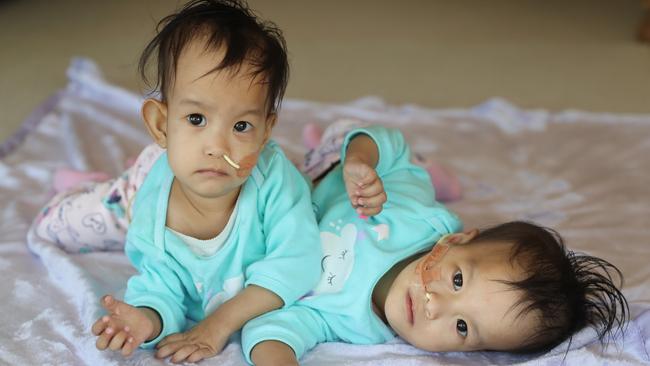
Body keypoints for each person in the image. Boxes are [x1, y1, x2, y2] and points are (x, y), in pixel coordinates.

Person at [31, 0, 322, 362]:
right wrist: (146, 320)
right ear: (160, 124)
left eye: (241, 126)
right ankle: (98, 184)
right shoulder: (153, 213)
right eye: (196, 118)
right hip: (143, 182)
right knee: (55, 227)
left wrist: (217, 325)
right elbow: (161, 285)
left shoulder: (275, 181)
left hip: (183, 163)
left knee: (319, 178)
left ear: (265, 132)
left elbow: (297, 263)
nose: (216, 147)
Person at [241, 122, 629, 365]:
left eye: (462, 327)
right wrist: (362, 162)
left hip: (288, 215)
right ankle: (432, 173)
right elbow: (390, 146)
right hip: (330, 177)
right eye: (458, 280)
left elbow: (275, 327)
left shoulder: (355, 323)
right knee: (340, 141)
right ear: (454, 240)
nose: (435, 306)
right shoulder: (412, 213)